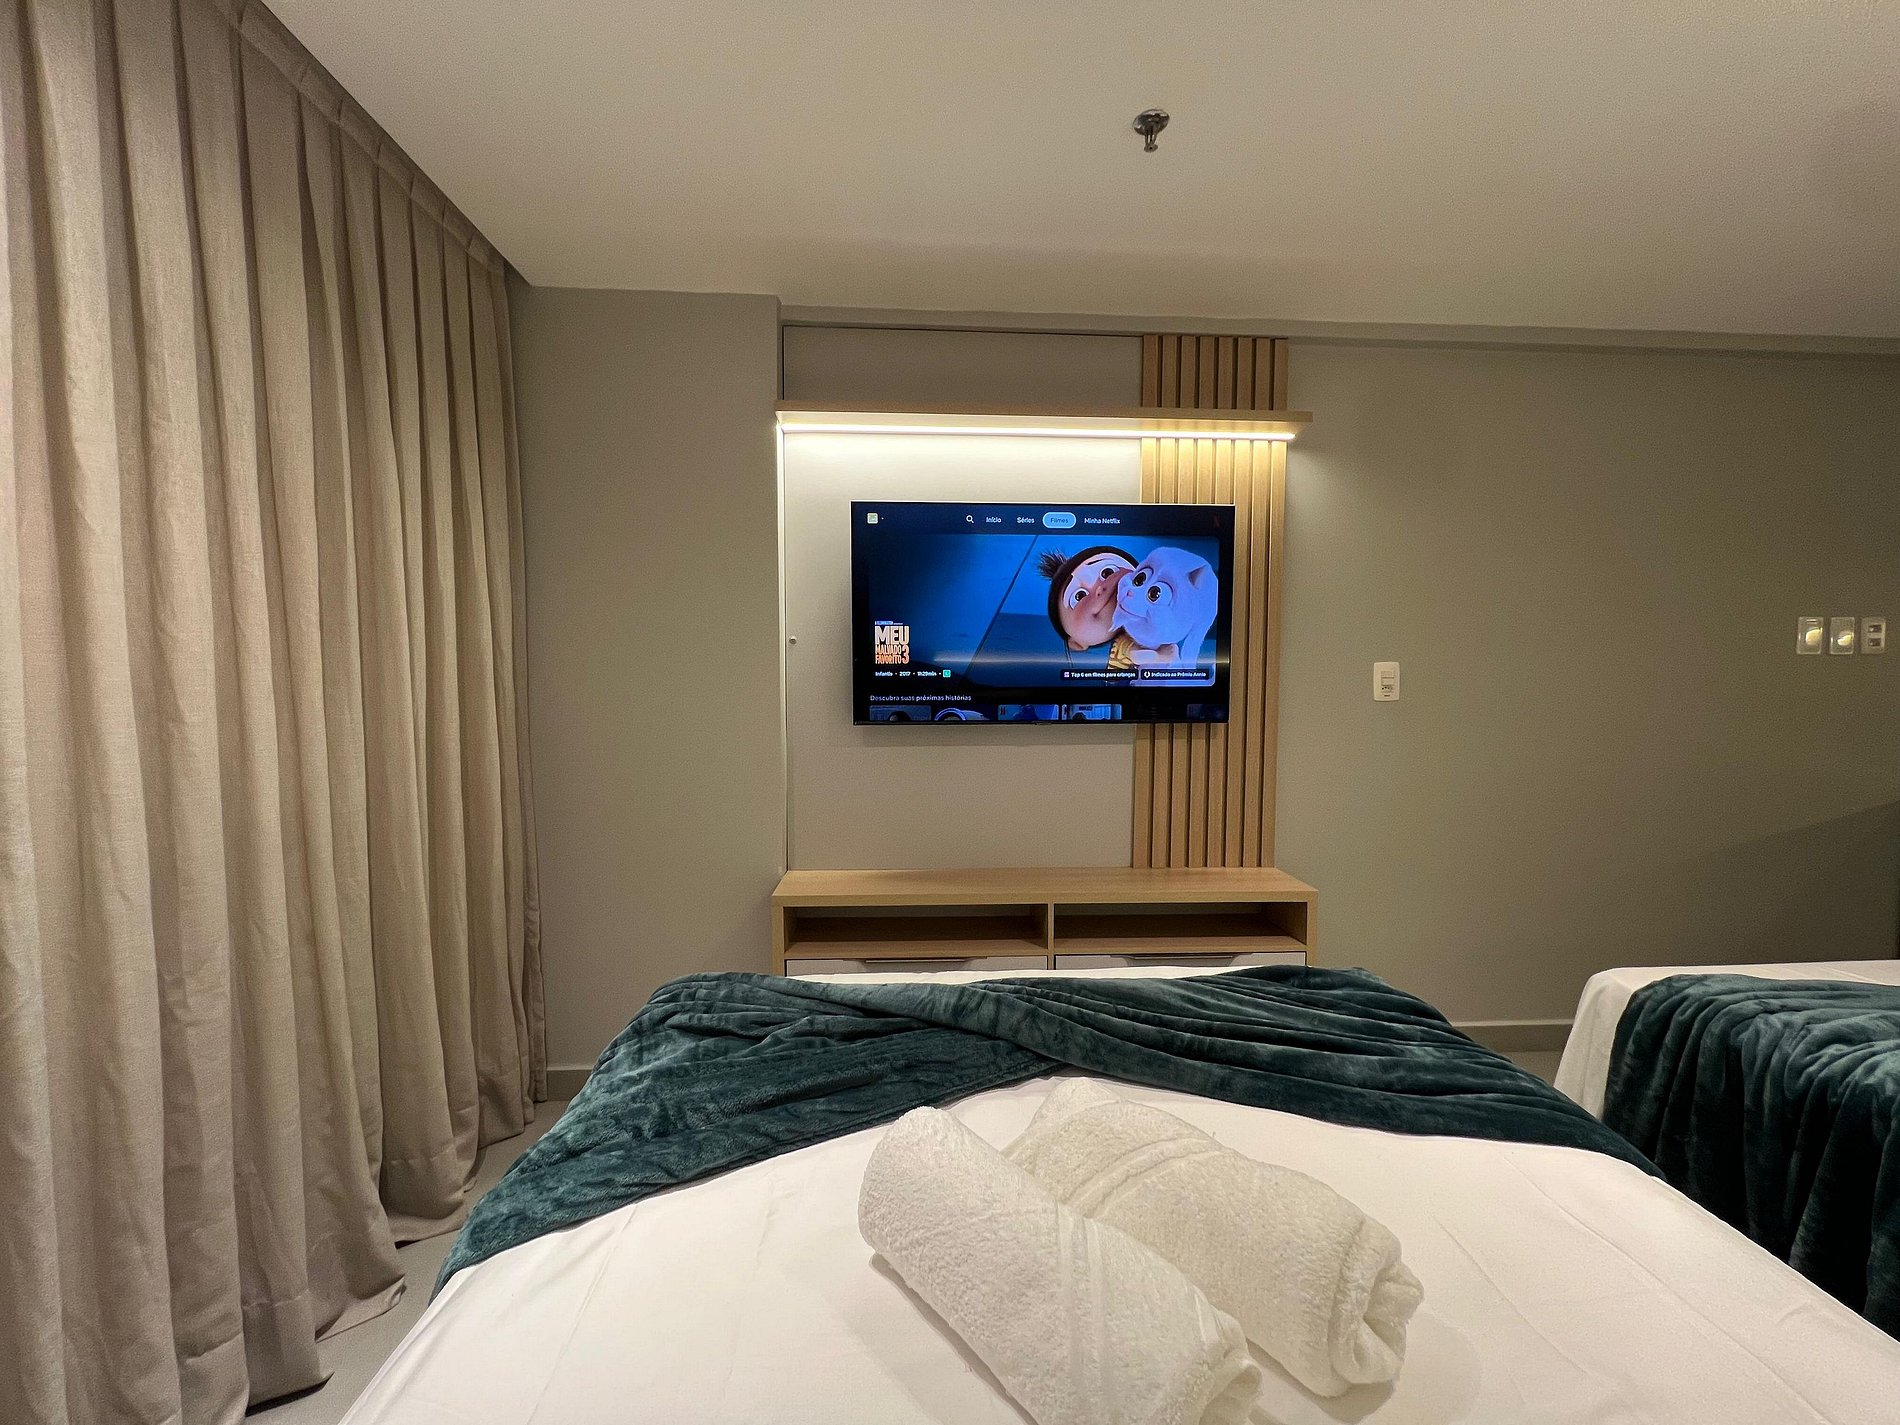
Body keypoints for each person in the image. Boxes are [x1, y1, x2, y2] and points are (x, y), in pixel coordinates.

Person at [1037, 545, 1139, 668]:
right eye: (1079, 596)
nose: (1099, 589)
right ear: (1077, 644)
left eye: (1107, 572)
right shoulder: (1122, 647)